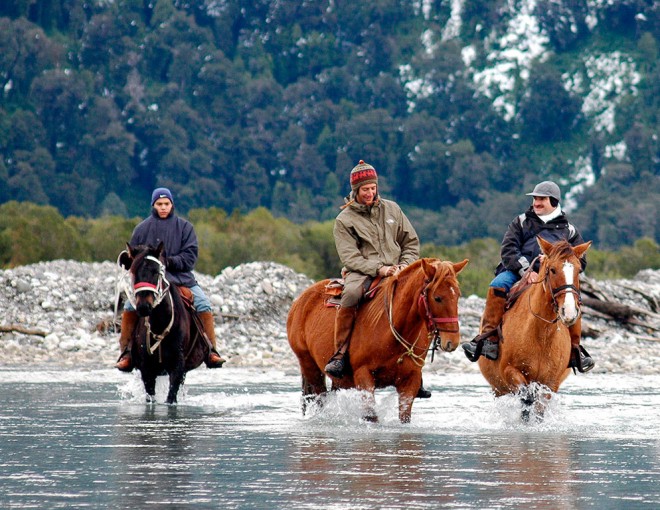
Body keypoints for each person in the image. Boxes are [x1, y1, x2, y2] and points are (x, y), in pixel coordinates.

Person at [324, 160, 431, 398]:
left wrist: (405, 265)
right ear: (355, 190)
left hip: (398, 270)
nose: (370, 193)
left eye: (373, 188)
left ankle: (416, 367)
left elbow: (410, 242)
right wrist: (379, 269)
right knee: (351, 294)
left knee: (420, 297)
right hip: (361, 271)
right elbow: (349, 256)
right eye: (365, 189)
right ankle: (340, 354)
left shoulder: (393, 209)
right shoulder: (344, 220)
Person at [461, 181, 594, 372]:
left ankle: (575, 350)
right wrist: (526, 271)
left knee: (573, 299)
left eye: (541, 199)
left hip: (554, 277)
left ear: (554, 202)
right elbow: (508, 249)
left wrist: (557, 267)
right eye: (535, 199)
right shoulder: (521, 221)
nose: (536, 203)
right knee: (497, 285)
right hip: (518, 271)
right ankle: (488, 339)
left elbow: (580, 261)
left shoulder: (569, 229)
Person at [115, 187, 225, 371]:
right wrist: (129, 261)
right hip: (149, 283)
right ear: (153, 205)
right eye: (159, 204)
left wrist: (167, 261)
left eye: (167, 204)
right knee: (128, 307)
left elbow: (190, 257)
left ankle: (211, 350)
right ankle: (126, 353)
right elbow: (134, 258)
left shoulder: (185, 228)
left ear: (172, 204)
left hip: (180, 279)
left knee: (204, 304)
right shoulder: (141, 229)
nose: (163, 207)